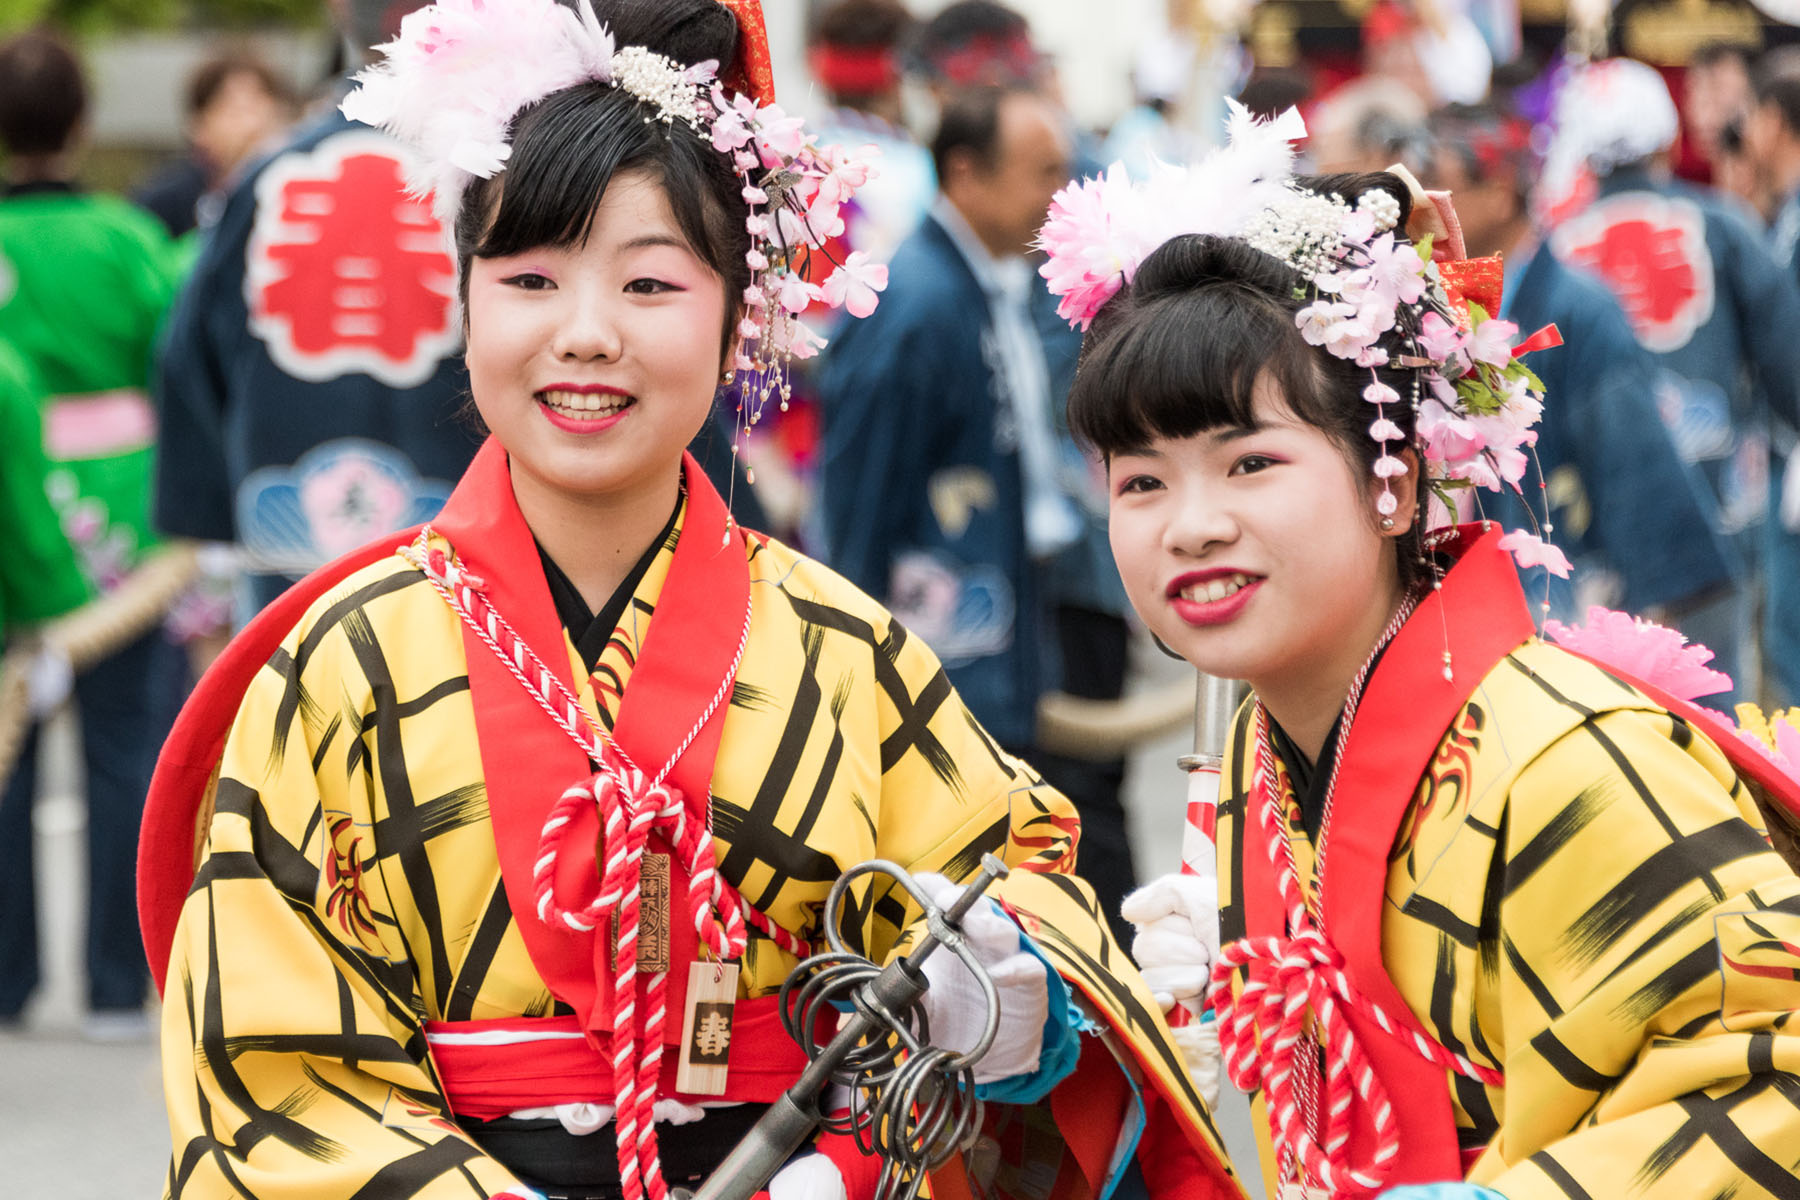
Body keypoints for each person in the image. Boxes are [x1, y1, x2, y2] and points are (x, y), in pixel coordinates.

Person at [138, 3, 1246, 1198]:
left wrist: (1010, 988)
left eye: (651, 283)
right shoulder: (341, 664)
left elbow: (1012, 878)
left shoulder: (846, 649)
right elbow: (271, 1066)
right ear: (462, 308)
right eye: (528, 279)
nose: (586, 333)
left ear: (736, 326)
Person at [1040, 100, 1800, 1198]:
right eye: (1142, 481)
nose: (1189, 523)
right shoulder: (1267, 759)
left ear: (1393, 482)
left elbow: (1772, 1079)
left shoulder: (1565, 762)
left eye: (1250, 463)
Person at [816, 85, 1140, 940]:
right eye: (1043, 173)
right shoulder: (917, 303)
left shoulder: (969, 283)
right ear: (966, 173)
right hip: (945, 642)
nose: (1058, 193)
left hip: (1004, 615)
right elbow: (857, 498)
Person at [153, 0, 482, 616]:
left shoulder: (267, 175)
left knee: (292, 695)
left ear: (340, 16)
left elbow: (186, 351)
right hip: (461, 542)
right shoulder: (495, 172)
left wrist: (211, 511)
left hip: (287, 530)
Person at [0, 28, 185, 1036]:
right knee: (122, 747)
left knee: (6, 742)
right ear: (82, 122)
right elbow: (175, 352)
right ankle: (118, 983)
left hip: (5, 498)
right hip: (118, 512)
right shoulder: (125, 239)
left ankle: (7, 977)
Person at [1541, 57, 1800, 701]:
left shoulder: (1551, 248)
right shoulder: (1724, 224)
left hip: (1591, 512)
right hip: (1716, 500)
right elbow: (1787, 361)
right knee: (1717, 696)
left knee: (1602, 694)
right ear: (1666, 136)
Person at [1424, 103, 1737, 632]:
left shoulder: (1577, 306)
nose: (1426, 208)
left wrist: (1649, 599)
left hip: (1561, 566)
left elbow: (1628, 456)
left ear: (1501, 193)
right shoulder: (1442, 296)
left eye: (1440, 187)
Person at [132, 48, 297, 241]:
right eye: (237, 111)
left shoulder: (296, 196)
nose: (253, 126)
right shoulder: (164, 203)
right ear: (197, 125)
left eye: (265, 111)